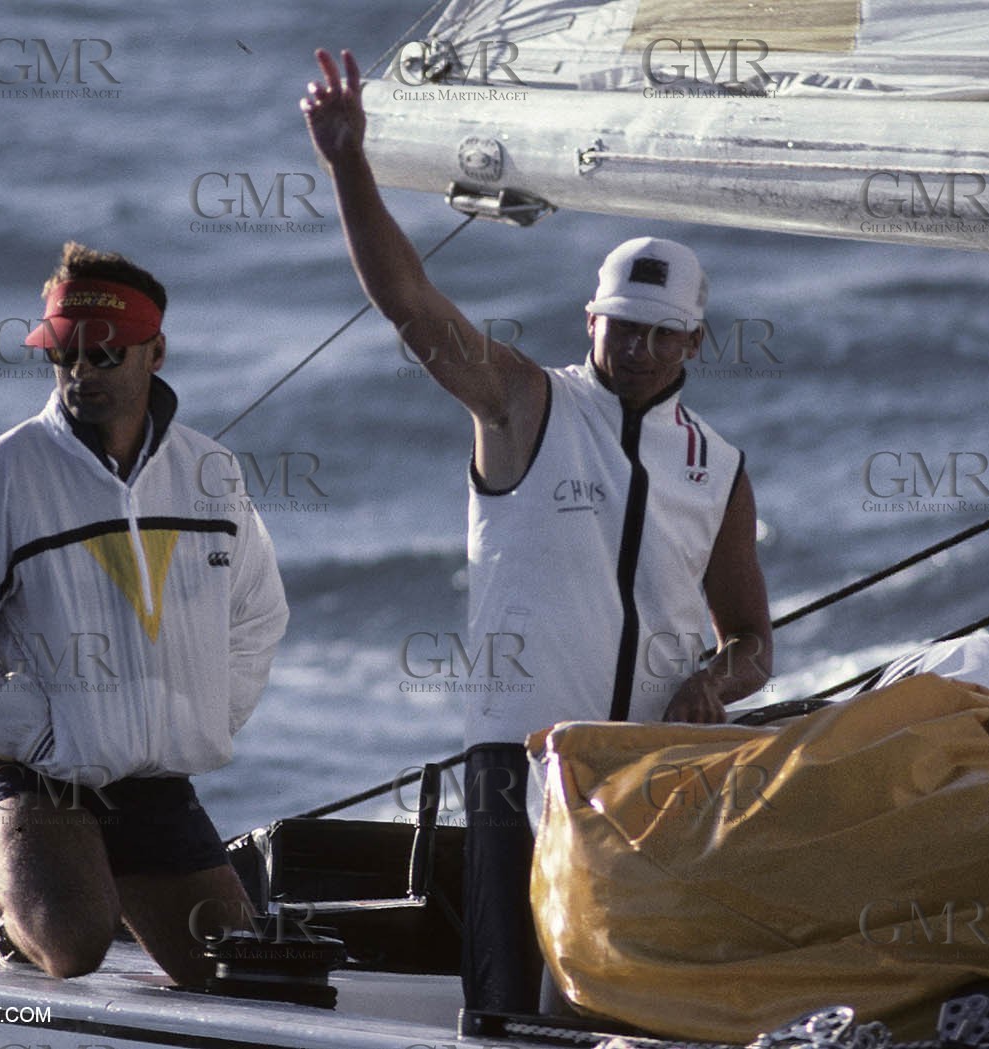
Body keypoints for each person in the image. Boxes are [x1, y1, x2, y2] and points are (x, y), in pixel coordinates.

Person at [301, 51, 774, 1015]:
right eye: (621, 328)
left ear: (695, 342)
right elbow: (412, 307)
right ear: (588, 319)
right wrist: (350, 163)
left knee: (624, 1012)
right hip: (521, 762)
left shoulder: (718, 467)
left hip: (650, 777)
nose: (637, 352)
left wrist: (713, 681)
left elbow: (756, 645)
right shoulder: (524, 403)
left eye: (660, 335)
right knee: (511, 1007)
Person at [0, 241, 289, 986]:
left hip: (147, 779)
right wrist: (45, 735)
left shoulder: (213, 474)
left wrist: (200, 715)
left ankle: (94, 889)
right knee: (78, 942)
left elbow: (258, 615)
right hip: (22, 773)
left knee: (240, 974)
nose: (81, 372)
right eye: (63, 354)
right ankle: (30, 921)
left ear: (156, 352)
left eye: (105, 355)